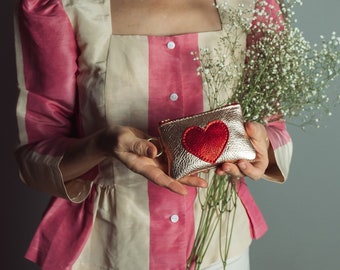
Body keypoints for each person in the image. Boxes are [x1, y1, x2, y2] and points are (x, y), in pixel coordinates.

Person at [14, 0, 292, 269]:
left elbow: (273, 127)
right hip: (106, 251)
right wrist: (101, 144)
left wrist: (261, 146)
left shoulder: (253, 6)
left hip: (218, 252)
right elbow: (36, 154)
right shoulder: (62, 8)